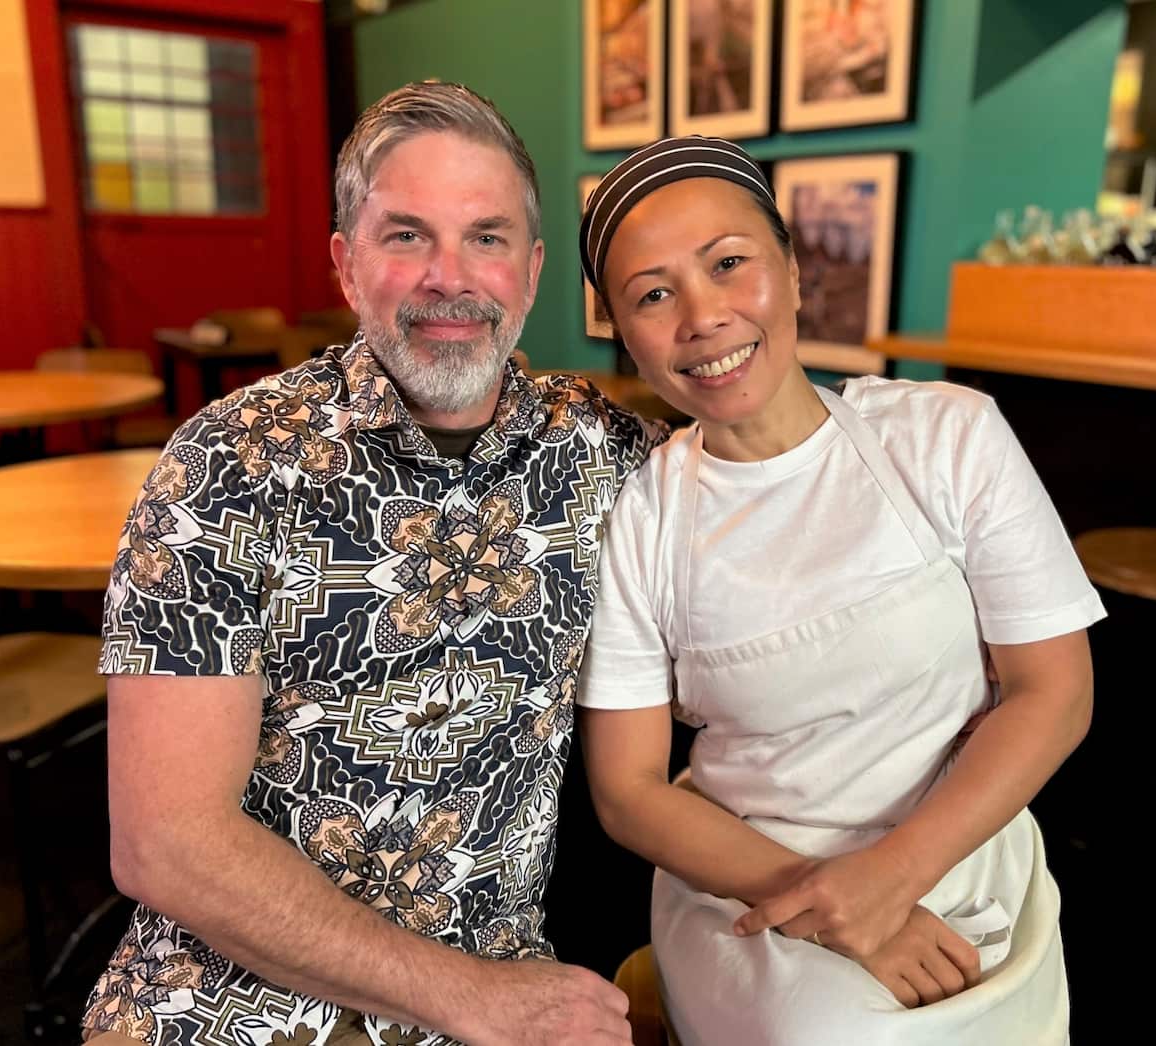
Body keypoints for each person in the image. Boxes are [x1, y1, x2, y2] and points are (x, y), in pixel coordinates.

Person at [81, 82, 661, 1046]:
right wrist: (467, 995)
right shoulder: (230, 462)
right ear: (348, 266)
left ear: (533, 267)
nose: (450, 276)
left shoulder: (602, 450)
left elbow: (779, 519)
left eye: (488, 236)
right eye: (405, 237)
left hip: (507, 982)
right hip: (228, 998)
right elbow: (164, 842)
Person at [575, 135, 1104, 1045]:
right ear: (624, 331)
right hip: (752, 887)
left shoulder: (948, 436)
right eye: (653, 294)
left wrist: (893, 880)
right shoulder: (642, 517)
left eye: (729, 264)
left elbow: (1055, 693)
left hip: (966, 854)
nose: (702, 317)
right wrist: (827, 902)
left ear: (791, 267)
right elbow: (628, 792)